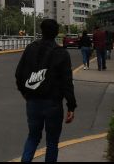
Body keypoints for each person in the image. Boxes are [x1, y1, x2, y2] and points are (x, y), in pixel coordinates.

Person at [16, 18, 76, 162]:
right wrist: (71, 106)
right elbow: (67, 82)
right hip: (53, 104)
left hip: (32, 102)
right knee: (52, 142)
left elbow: (19, 74)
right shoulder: (61, 53)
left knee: (33, 137)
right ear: (56, 33)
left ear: (41, 31)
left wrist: (24, 92)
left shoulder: (30, 48)